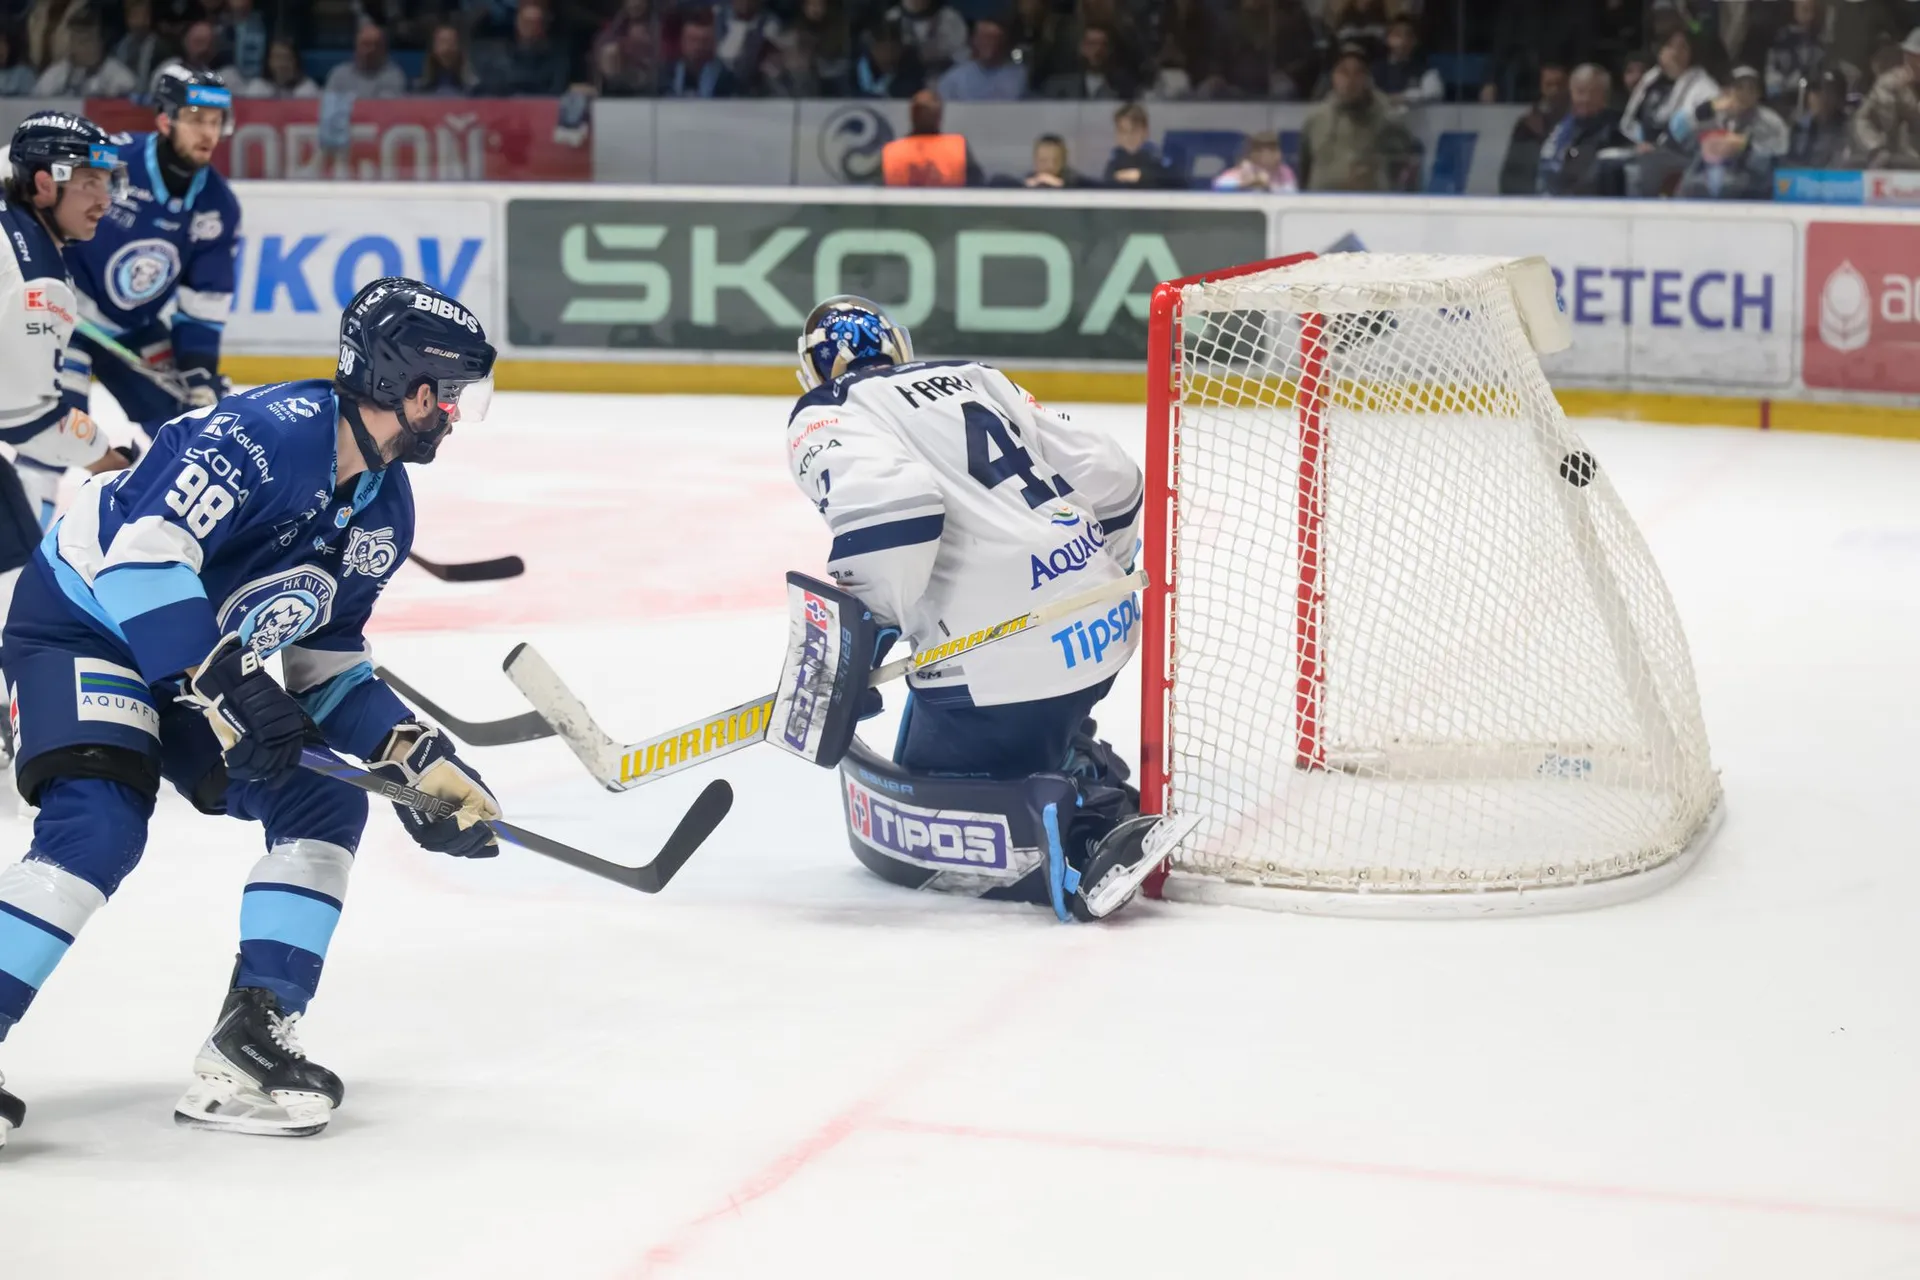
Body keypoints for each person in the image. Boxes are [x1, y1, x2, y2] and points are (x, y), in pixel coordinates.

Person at [0, 276, 500, 1148]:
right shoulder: (260, 436)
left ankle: (250, 1040)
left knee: (325, 800)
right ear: (406, 384)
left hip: (195, 661)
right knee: (98, 825)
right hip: (86, 626)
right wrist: (231, 686)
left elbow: (326, 662)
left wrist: (417, 759)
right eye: (448, 395)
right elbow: (138, 564)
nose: (454, 416)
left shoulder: (385, 507)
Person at [779, 297, 1177, 922]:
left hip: (1002, 669)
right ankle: (1072, 757)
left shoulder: (829, 409)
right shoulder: (977, 376)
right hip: (1105, 629)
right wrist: (1099, 571)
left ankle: (1073, 829)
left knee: (918, 793)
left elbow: (894, 513)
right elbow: (1114, 476)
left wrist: (870, 624)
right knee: (999, 702)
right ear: (899, 344)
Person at [0, 112, 134, 735]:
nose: (104, 199)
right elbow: (27, 417)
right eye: (88, 181)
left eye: (107, 181)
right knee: (21, 577)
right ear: (42, 183)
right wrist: (108, 457)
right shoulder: (37, 282)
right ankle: (20, 712)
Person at [65, 68, 243, 456]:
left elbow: (204, 302)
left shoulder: (218, 206)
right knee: (61, 439)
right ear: (165, 121)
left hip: (135, 327)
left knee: (188, 435)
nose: (208, 133)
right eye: (196, 120)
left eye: (216, 122)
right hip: (63, 316)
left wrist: (199, 372)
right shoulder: (112, 159)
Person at [1297, 42, 1418, 192]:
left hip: (1369, 202)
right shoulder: (1315, 119)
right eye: (1344, 72)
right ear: (1333, 76)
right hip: (1321, 203)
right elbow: (1303, 170)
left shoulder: (1387, 118)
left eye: (1358, 73)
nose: (1350, 80)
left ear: (1367, 78)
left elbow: (1404, 165)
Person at [1676, 64, 1789, 198]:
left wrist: (1745, 146)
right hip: (1712, 174)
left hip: (1751, 179)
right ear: (1728, 91)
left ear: (1758, 93)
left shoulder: (1770, 121)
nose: (1745, 93)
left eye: (1751, 89)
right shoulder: (1717, 113)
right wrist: (1708, 109)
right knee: (1689, 183)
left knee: (1728, 184)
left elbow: (1778, 155)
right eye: (1739, 87)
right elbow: (1679, 133)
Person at [1536, 63, 1628, 196]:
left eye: (1593, 93)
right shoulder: (1555, 124)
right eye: (1580, 92)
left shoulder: (1617, 129)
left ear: (1604, 96)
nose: (1585, 99)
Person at [1850, 28, 1920, 169]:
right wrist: (1875, 147)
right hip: (1901, 164)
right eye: (1908, 55)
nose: (1910, 62)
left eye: (1916, 57)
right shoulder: (1890, 85)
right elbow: (1862, 120)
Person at [880, 89, 982, 185]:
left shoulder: (892, 151)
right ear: (939, 117)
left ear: (912, 116)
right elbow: (978, 186)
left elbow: (874, 188)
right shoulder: (958, 148)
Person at [1499, 62, 1570, 194]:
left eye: (1559, 85)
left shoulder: (1575, 123)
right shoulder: (1527, 125)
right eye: (1549, 85)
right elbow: (1512, 171)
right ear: (1541, 87)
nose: (1554, 90)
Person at [476, 1, 573, 96]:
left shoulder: (558, 60)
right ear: (517, 23)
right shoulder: (497, 56)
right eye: (526, 23)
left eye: (535, 23)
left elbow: (556, 94)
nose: (530, 29)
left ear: (544, 26)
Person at [31, 21, 137, 96]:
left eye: (87, 40)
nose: (82, 47)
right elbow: (35, 103)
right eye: (76, 41)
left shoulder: (121, 77)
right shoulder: (56, 74)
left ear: (100, 42)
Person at [938, 16, 1027, 101]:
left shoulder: (1020, 75)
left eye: (994, 39)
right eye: (984, 38)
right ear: (974, 41)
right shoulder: (954, 79)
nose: (989, 44)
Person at [1042, 23, 1137, 99]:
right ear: (1081, 47)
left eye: (1103, 44)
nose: (1098, 49)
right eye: (1091, 44)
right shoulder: (1058, 87)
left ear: (1110, 49)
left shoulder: (1125, 88)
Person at [1787, 66, 1853, 168]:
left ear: (1839, 96)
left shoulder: (1850, 128)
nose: (1819, 97)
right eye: (1815, 91)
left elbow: (1844, 164)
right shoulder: (1800, 127)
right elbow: (1789, 163)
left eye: (1828, 92)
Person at [324, 21, 408, 98]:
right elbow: (330, 105)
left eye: (376, 45)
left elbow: (388, 106)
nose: (370, 50)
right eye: (365, 45)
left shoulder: (394, 75)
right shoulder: (339, 75)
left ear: (383, 49)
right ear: (356, 47)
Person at [1102, 100, 1176, 187]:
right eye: (1123, 132)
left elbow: (1171, 177)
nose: (1128, 137)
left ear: (1145, 132)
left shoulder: (1153, 154)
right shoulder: (1117, 156)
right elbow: (1107, 181)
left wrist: (1142, 175)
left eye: (1134, 131)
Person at [1372, 16, 1442, 106]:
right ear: (1387, 39)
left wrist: (1403, 97)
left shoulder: (1425, 69)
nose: (1403, 40)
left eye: (1408, 35)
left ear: (1414, 41)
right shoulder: (1375, 69)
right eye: (1398, 34)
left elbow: (1434, 93)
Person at [887, 0, 968, 77]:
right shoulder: (891, 18)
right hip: (904, 76)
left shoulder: (950, 18)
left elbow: (962, 57)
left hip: (944, 74)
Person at [663, 18, 738, 97]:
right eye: (693, 40)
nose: (698, 46)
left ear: (713, 45)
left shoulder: (727, 80)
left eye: (704, 41)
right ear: (683, 43)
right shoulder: (667, 75)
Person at [853, 19, 925, 98]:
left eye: (892, 49)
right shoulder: (854, 73)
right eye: (882, 50)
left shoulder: (912, 74)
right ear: (873, 49)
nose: (887, 55)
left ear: (900, 49)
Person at [233, 38, 320, 99]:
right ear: (268, 61)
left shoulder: (308, 88)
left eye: (287, 58)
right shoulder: (258, 87)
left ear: (296, 61)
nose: (282, 64)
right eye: (277, 58)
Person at [1211, 130, 1299, 190]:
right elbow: (1218, 185)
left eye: (1272, 150)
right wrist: (1246, 183)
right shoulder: (1244, 169)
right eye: (1260, 151)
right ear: (1251, 154)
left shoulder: (1284, 171)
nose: (1267, 155)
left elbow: (1291, 194)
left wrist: (1268, 186)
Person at [417, 22, 479, 95]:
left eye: (451, 41)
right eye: (442, 41)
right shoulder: (423, 81)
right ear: (433, 46)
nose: (447, 47)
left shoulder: (470, 81)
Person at [1020, 132, 1090, 186]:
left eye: (1055, 161)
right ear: (1035, 160)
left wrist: (1061, 186)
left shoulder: (1079, 184)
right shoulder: (1024, 184)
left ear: (1063, 160)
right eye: (1043, 161)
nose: (1049, 166)